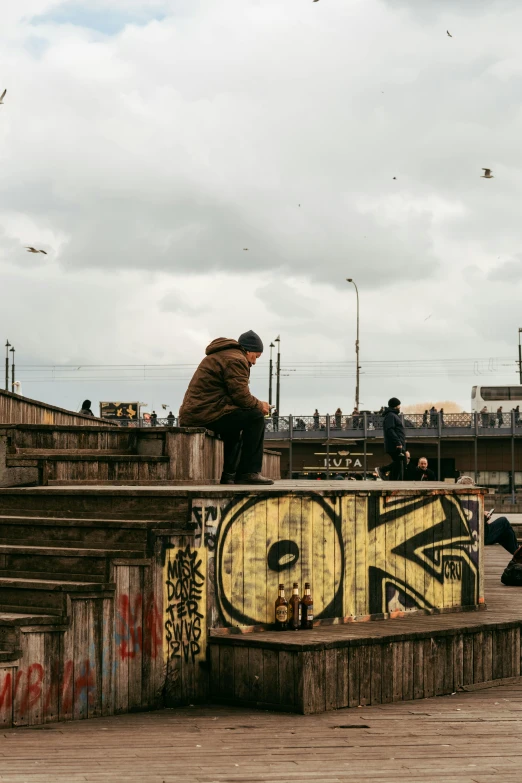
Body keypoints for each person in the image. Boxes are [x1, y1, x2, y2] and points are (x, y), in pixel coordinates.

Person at [178, 330, 273, 485]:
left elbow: (234, 396)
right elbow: (241, 397)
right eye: (256, 356)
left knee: (234, 425)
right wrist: (260, 405)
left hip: (200, 411)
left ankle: (229, 475)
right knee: (255, 417)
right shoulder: (236, 360)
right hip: (205, 412)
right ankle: (248, 472)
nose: (254, 362)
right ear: (247, 350)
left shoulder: (224, 355)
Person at [381, 397, 406, 481]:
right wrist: (398, 443)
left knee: (399, 464)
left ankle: (393, 481)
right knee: (400, 462)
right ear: (395, 406)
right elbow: (390, 430)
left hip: (397, 444)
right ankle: (382, 469)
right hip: (395, 445)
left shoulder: (392, 415)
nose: (400, 407)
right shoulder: (391, 416)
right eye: (399, 405)